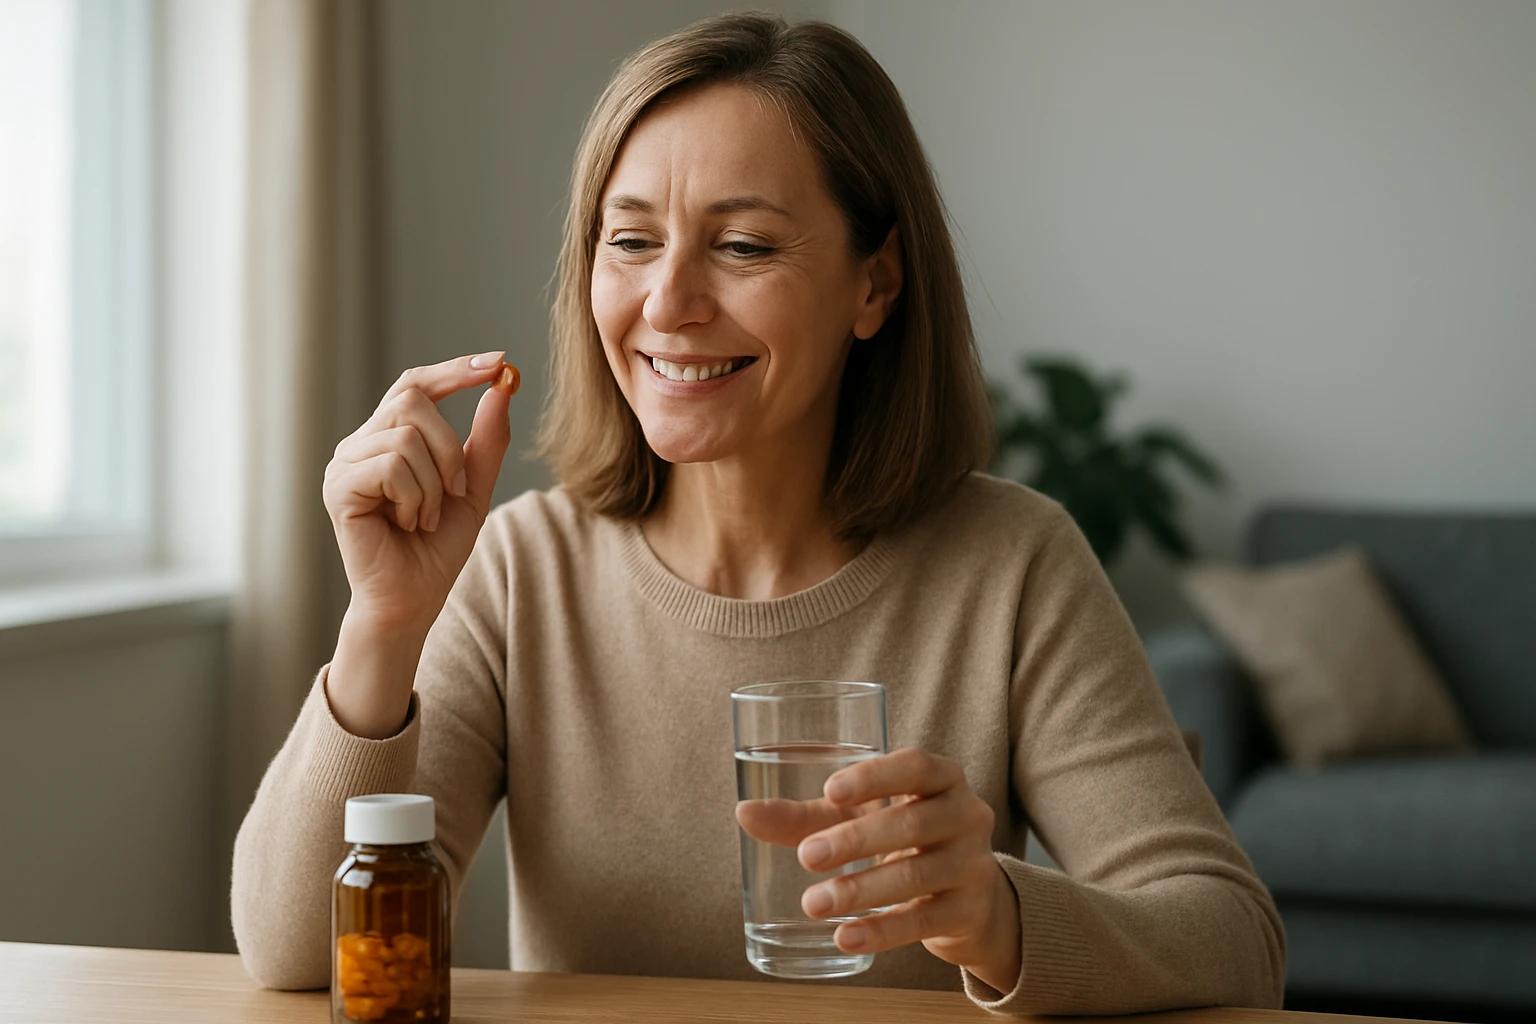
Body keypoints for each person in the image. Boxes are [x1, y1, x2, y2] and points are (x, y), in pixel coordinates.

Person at [232, 12, 1284, 1014]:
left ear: (875, 286)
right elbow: (291, 954)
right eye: (631, 241)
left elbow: (1235, 942)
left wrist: (1002, 914)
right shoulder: (523, 570)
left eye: (742, 247)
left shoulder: (1011, 565)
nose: (669, 301)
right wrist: (382, 625)